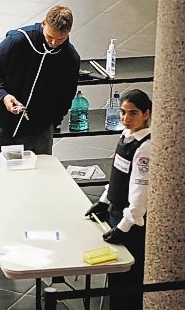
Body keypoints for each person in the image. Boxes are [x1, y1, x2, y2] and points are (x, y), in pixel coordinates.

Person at [0, 5, 80, 156]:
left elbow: (66, 96)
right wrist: (3, 95)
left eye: (60, 39)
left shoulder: (70, 58)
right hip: (1, 122)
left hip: (40, 131)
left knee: (37, 177)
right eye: (50, 37)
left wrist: (52, 122)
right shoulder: (18, 41)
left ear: (69, 32)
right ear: (43, 24)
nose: (54, 43)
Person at [85, 89, 152, 310]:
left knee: (128, 283)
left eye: (133, 113)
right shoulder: (125, 136)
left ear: (146, 114)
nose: (125, 118)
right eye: (123, 112)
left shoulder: (145, 147)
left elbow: (139, 193)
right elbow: (118, 174)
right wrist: (104, 200)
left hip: (130, 224)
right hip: (116, 213)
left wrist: (124, 227)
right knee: (115, 278)